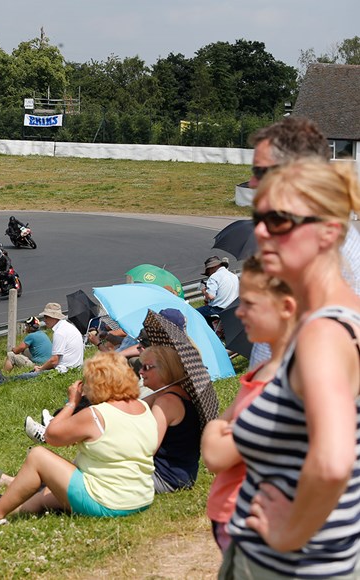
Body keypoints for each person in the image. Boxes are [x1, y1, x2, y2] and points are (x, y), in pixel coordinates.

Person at [223, 159, 360, 578]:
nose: (261, 231)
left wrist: (290, 532)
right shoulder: (336, 319)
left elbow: (334, 462)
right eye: (260, 217)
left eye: (280, 219)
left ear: (329, 232)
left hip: (288, 564)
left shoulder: (321, 335)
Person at [0, 352, 157, 529]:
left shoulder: (96, 414)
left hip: (108, 502)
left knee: (38, 456)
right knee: (45, 497)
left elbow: (51, 435)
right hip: (140, 497)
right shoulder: (143, 408)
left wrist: (72, 402)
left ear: (99, 384)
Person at [246, 116, 360, 368]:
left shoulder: (320, 250)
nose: (252, 182)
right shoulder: (300, 239)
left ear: (296, 173)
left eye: (259, 171)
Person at [202, 256, 296, 553]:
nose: (239, 313)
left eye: (250, 304)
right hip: (235, 518)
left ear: (287, 307)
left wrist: (218, 427)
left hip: (251, 526)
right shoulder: (260, 371)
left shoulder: (284, 383)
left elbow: (215, 455)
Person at [138, 345, 201, 493]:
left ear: (164, 369)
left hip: (165, 478)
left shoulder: (166, 402)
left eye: (146, 367)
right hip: (182, 475)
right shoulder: (175, 394)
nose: (140, 371)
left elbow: (148, 448)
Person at [0, 302, 83, 386]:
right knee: (30, 374)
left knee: (26, 377)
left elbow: (54, 360)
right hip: (72, 368)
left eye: (46, 317)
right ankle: (3, 379)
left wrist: (41, 369)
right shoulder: (67, 327)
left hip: (64, 370)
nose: (45, 320)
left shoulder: (60, 333)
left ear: (54, 317)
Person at [196, 255, 239, 321]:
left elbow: (211, 296)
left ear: (214, 267)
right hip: (233, 309)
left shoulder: (214, 276)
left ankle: (208, 330)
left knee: (194, 313)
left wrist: (204, 291)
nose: (209, 274)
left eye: (208, 271)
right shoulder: (234, 276)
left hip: (218, 309)